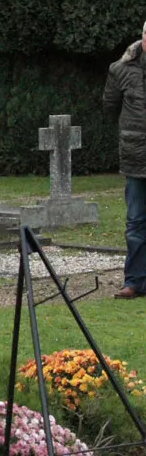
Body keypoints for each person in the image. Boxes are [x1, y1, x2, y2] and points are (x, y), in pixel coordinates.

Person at [104, 22, 146, 299]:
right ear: (143, 38)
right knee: (136, 222)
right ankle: (134, 281)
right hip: (136, 158)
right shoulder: (120, 69)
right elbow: (109, 107)